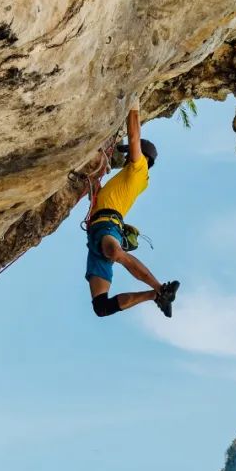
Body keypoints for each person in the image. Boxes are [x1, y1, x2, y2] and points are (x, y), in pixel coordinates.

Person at [82, 95, 179, 318]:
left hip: (108, 226)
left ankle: (160, 288)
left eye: (129, 155)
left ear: (142, 158)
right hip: (97, 233)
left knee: (116, 252)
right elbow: (99, 195)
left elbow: (134, 136)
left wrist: (132, 104)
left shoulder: (140, 169)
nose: (125, 158)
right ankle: (156, 295)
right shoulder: (127, 178)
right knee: (101, 307)